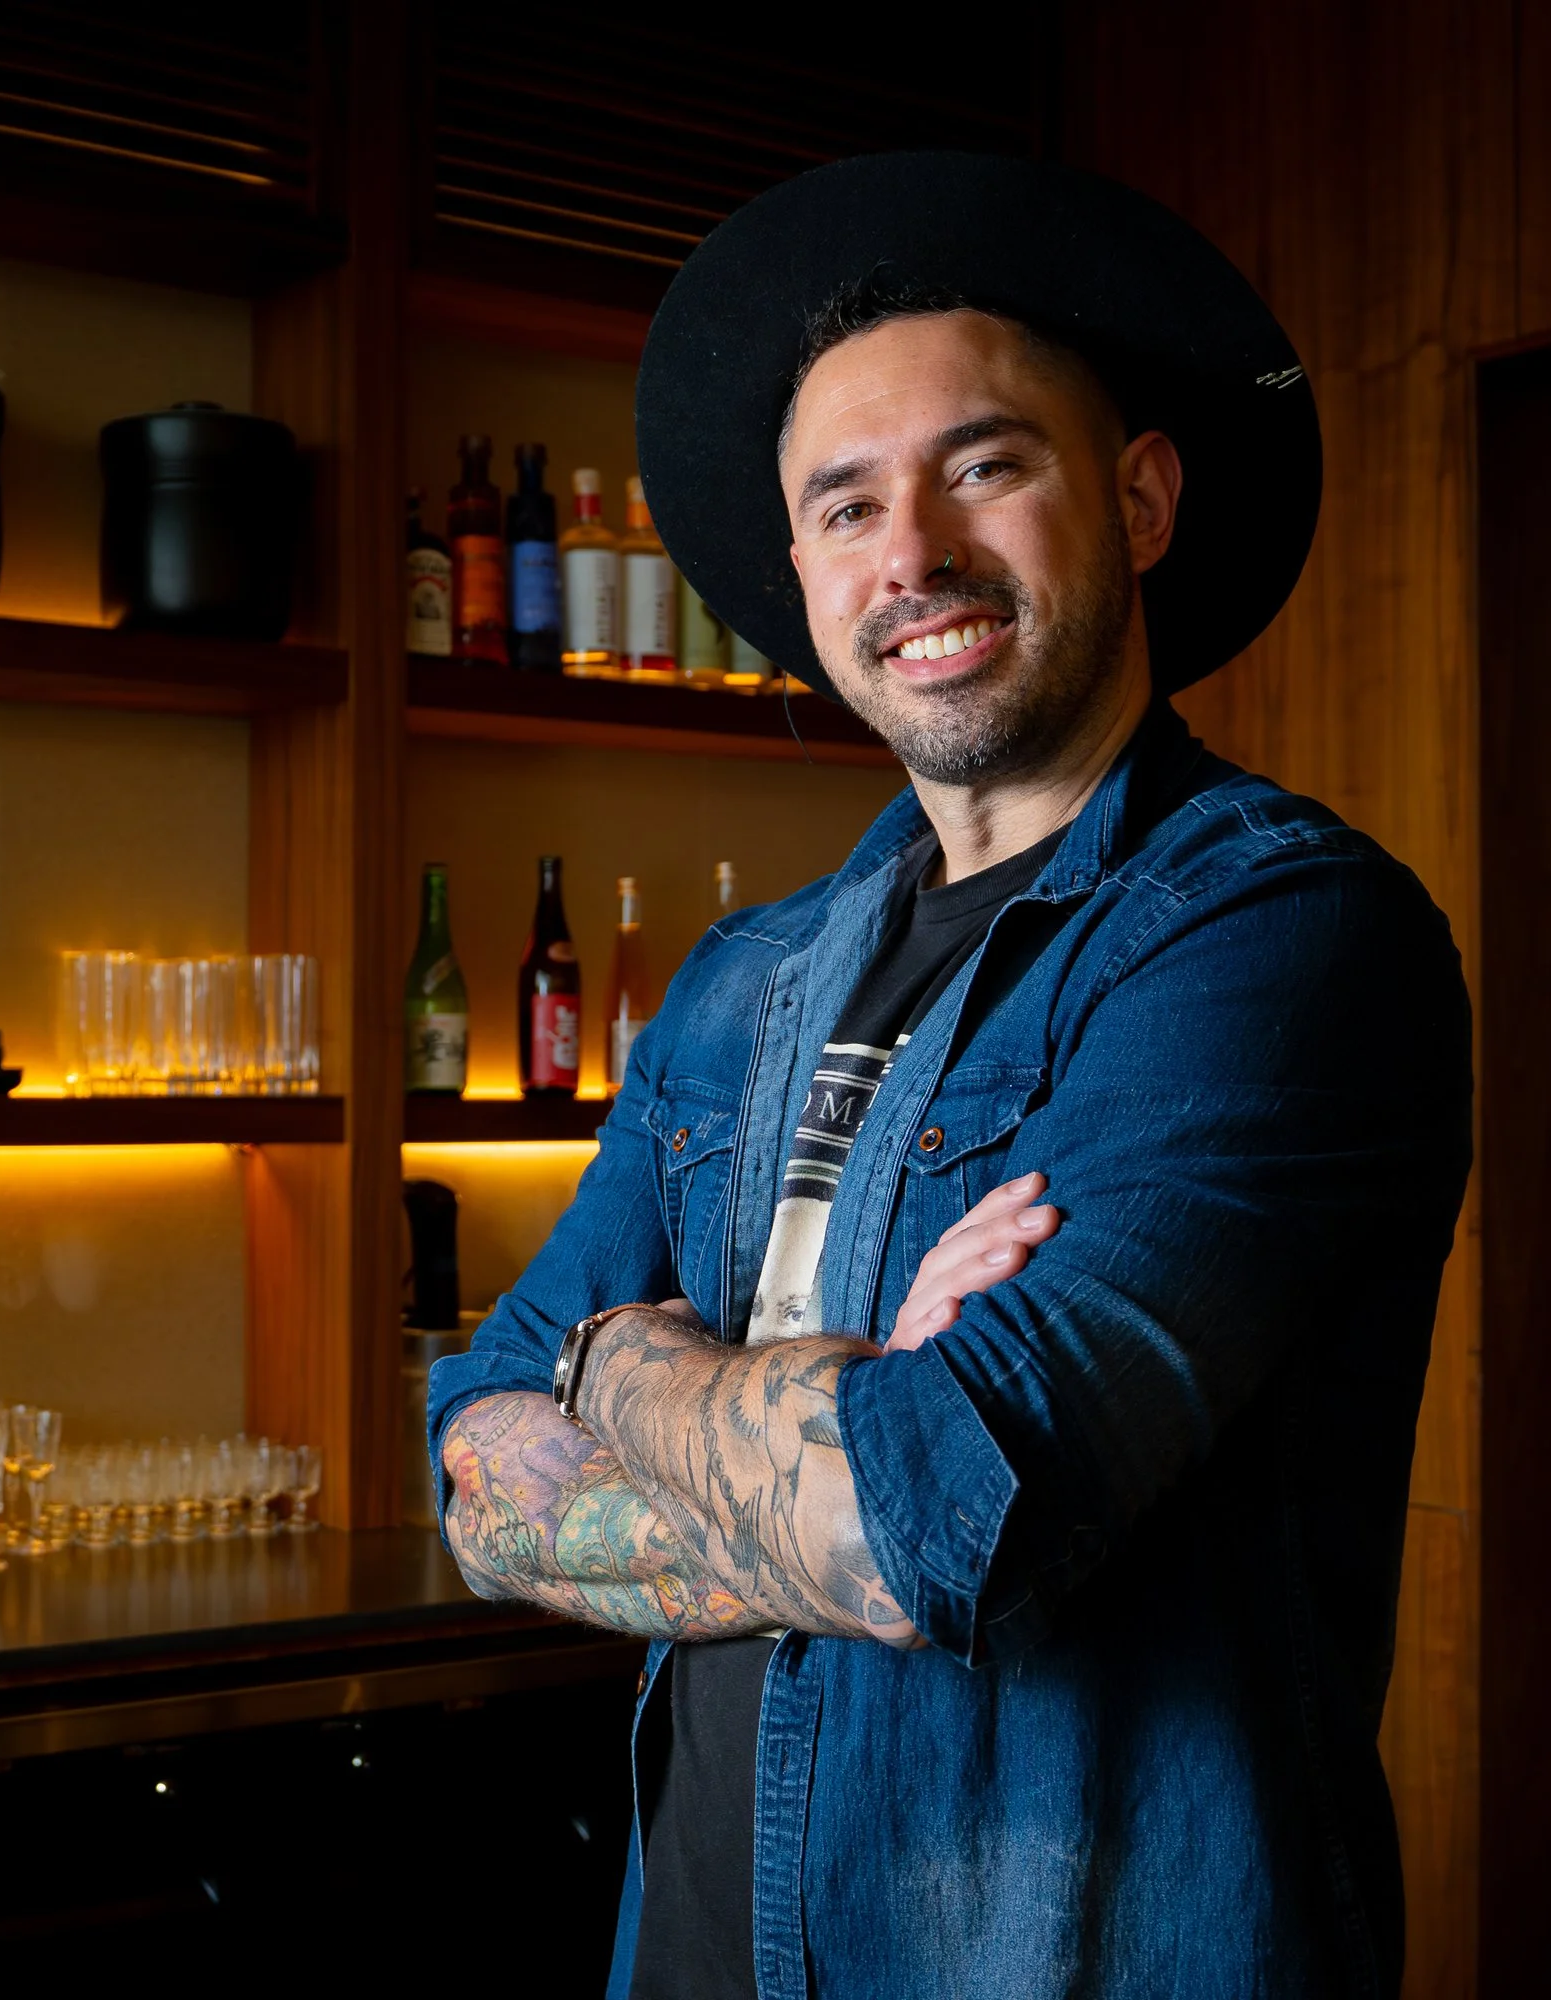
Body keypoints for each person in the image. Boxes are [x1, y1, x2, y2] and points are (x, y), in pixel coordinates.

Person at [427, 152, 1472, 1999]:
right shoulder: (744, 988)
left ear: (1141, 499)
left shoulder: (1278, 941)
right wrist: (815, 1434)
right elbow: (480, 1479)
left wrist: (626, 1357)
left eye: (985, 465)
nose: (908, 553)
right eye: (845, 506)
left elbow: (925, 1528)